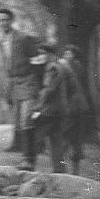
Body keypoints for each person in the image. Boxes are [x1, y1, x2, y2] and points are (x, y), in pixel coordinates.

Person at [0, 8, 40, 153]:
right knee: (19, 121)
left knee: (27, 120)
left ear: (11, 21)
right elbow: (7, 65)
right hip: (13, 84)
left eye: (5, 20)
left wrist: (36, 84)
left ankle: (30, 155)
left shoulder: (24, 38)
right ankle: (27, 153)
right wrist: (7, 88)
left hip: (27, 81)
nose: (2, 23)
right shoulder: (2, 41)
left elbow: (37, 62)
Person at [24, 43, 68, 173]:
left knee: (33, 137)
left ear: (50, 54)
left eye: (42, 53)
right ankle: (60, 173)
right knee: (56, 144)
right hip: (59, 111)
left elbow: (47, 90)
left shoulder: (51, 68)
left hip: (49, 111)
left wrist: (37, 107)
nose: (41, 56)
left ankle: (28, 168)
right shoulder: (59, 66)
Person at [61, 45, 91, 175]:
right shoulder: (75, 66)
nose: (67, 56)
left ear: (74, 55)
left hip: (72, 107)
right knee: (75, 138)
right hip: (78, 106)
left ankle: (68, 168)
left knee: (69, 136)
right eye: (66, 53)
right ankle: (73, 168)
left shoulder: (70, 67)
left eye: (69, 53)